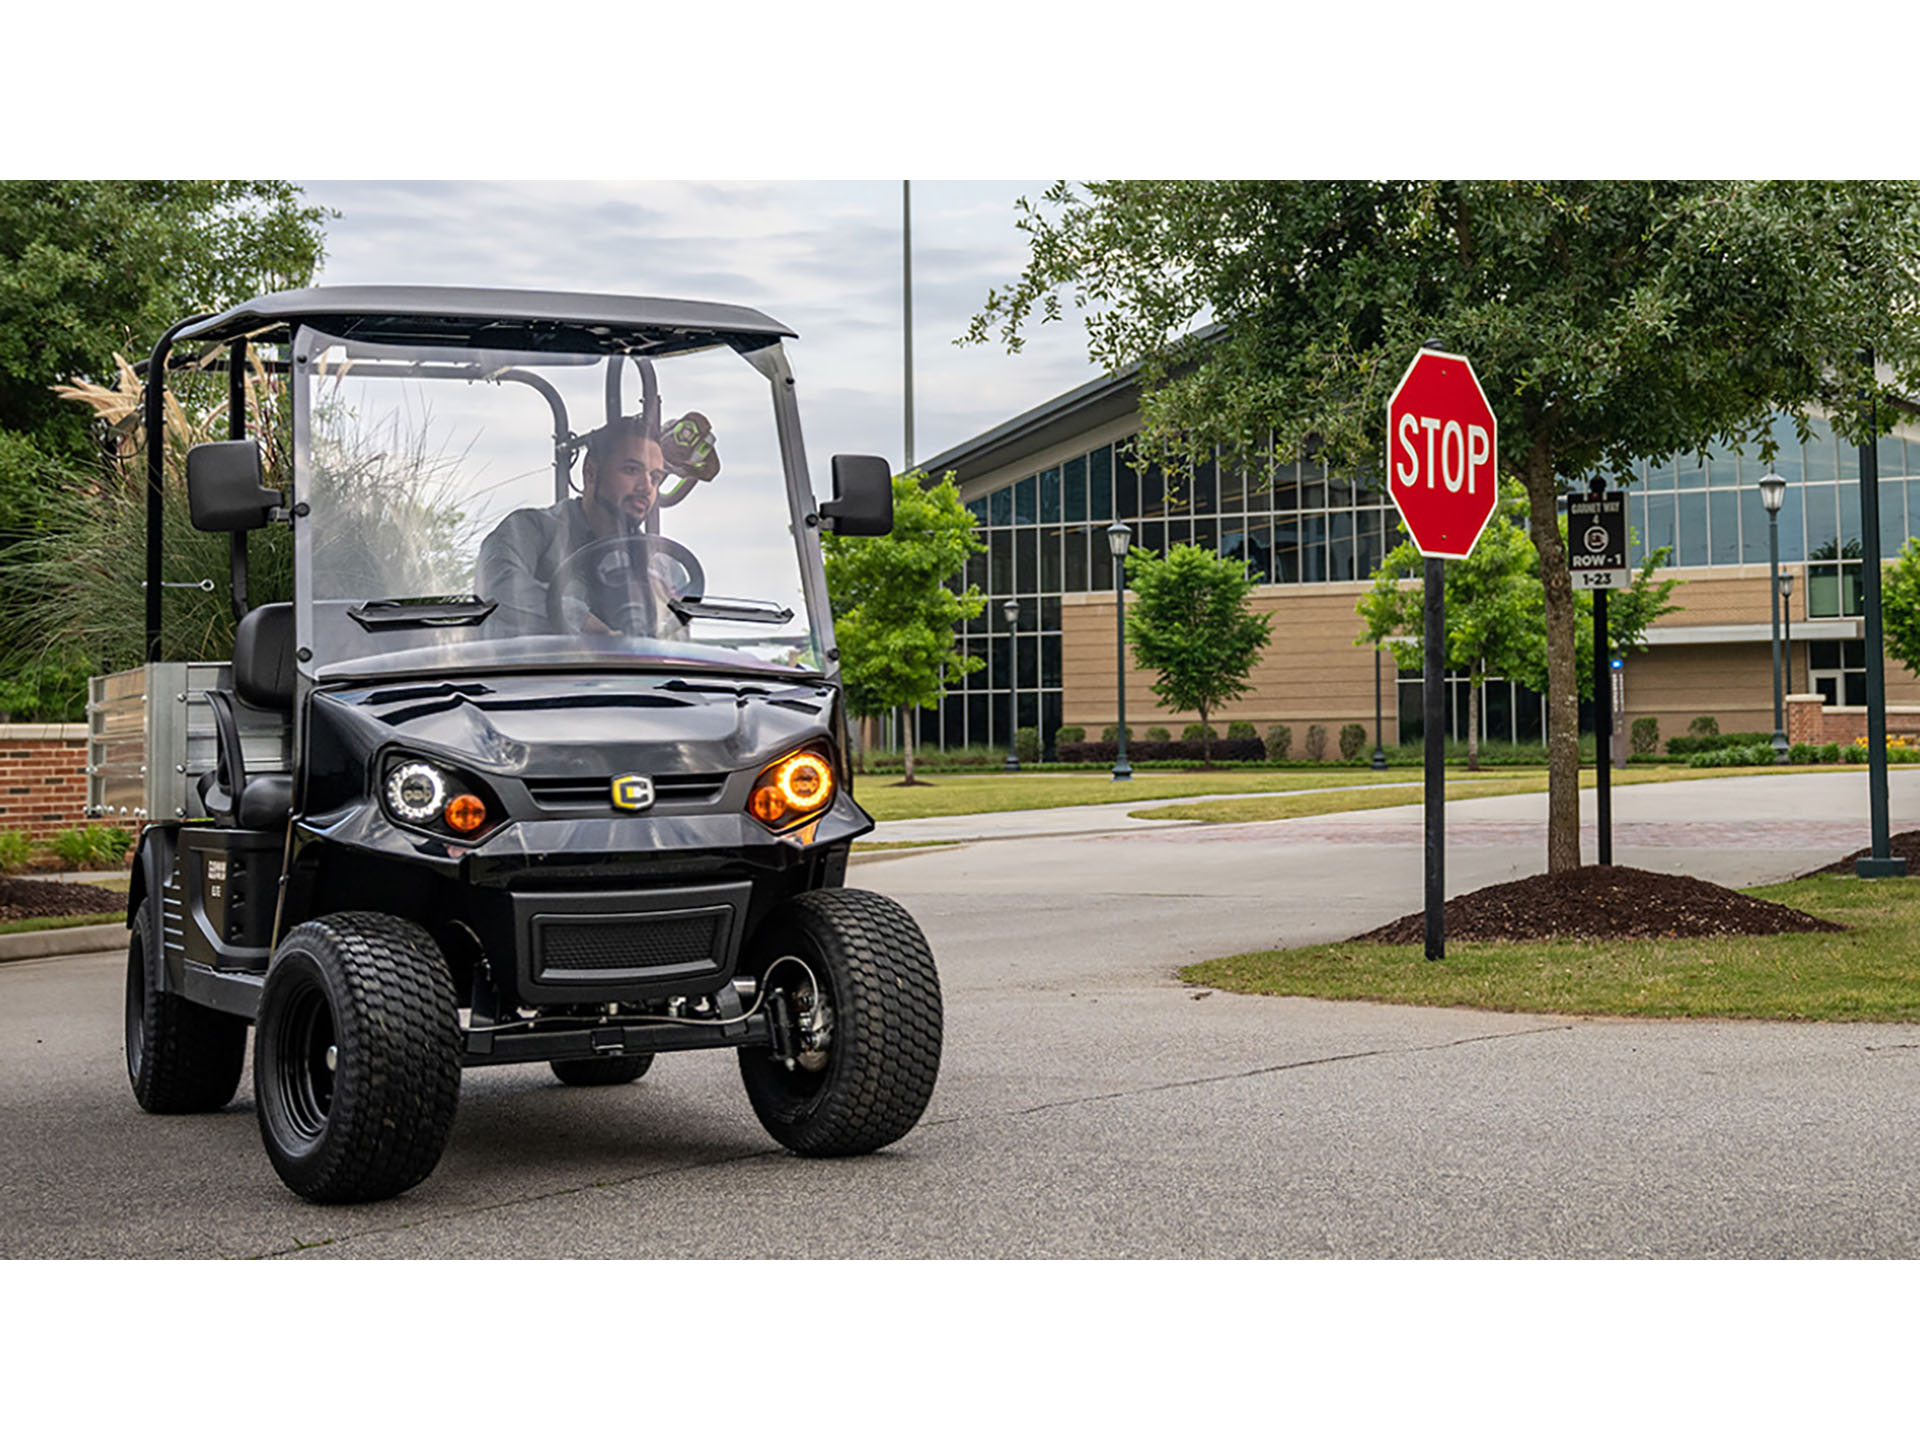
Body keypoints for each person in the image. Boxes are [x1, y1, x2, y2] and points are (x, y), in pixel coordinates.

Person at [478, 416, 682, 636]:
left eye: (655, 478)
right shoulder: (530, 529)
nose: (646, 487)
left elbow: (679, 625)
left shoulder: (662, 564)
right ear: (591, 472)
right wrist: (581, 621)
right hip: (538, 659)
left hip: (629, 660)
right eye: (631, 470)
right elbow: (496, 585)